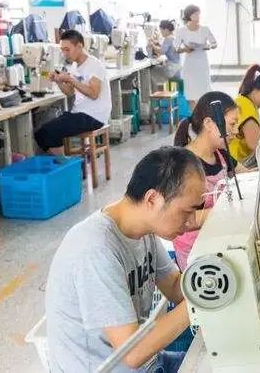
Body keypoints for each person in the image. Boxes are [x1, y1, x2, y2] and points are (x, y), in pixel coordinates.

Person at [45, 147, 206, 372]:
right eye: (186, 212)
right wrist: (203, 297)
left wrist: (210, 272)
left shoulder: (142, 229)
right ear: (153, 199)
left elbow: (173, 286)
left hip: (146, 364)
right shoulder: (96, 248)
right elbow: (131, 353)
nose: (190, 221)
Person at [172, 91, 248, 269]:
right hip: (196, 253)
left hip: (218, 238)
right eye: (232, 124)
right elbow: (186, 220)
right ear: (209, 124)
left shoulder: (220, 155)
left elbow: (248, 175)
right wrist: (227, 210)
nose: (236, 131)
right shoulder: (184, 165)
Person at [34, 30, 111, 155]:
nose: (65, 54)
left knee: (50, 132)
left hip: (94, 115)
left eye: (67, 50)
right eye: (63, 50)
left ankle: (65, 164)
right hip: (80, 113)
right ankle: (64, 162)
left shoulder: (94, 65)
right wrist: (58, 81)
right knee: (40, 134)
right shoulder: (75, 66)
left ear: (79, 46)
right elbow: (70, 93)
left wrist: (70, 79)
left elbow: (94, 94)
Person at [173, 5, 217, 107]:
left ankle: (204, 113)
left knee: (204, 91)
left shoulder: (205, 29)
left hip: (202, 64)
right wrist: (185, 49)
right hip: (189, 65)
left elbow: (214, 43)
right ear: (189, 16)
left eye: (199, 14)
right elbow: (176, 48)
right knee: (190, 93)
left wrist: (208, 46)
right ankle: (194, 115)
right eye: (196, 14)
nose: (198, 16)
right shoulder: (181, 31)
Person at [150, 20, 181, 90]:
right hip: (178, 67)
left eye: (161, 31)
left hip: (172, 68)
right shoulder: (173, 37)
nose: (161, 33)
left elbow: (161, 51)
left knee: (150, 71)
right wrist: (157, 44)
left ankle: (156, 92)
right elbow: (166, 48)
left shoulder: (168, 38)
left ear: (166, 30)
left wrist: (152, 44)